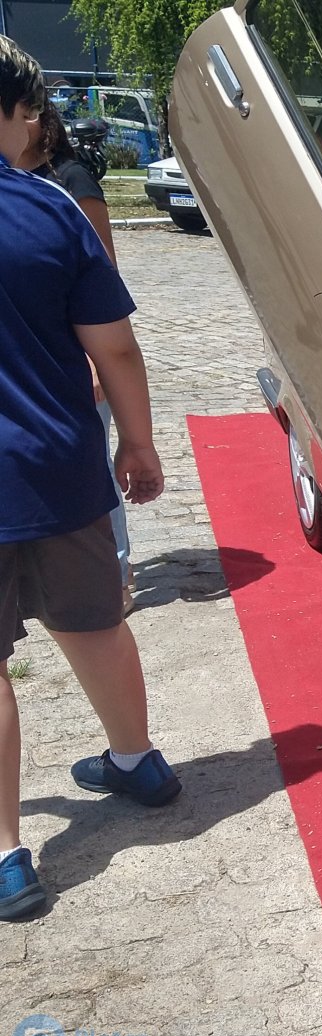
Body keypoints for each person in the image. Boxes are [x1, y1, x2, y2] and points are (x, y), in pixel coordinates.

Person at [0, 36, 178, 922]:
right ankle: (135, 757)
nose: (36, 122)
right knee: (95, 619)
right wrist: (138, 448)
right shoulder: (51, 210)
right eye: (27, 108)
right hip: (58, 463)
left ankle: (7, 855)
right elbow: (114, 346)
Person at [16, 100, 133, 614]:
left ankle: (119, 572)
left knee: (98, 469)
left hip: (84, 347)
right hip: (40, 359)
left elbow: (103, 271)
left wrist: (94, 361)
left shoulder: (70, 182)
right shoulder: (19, 184)